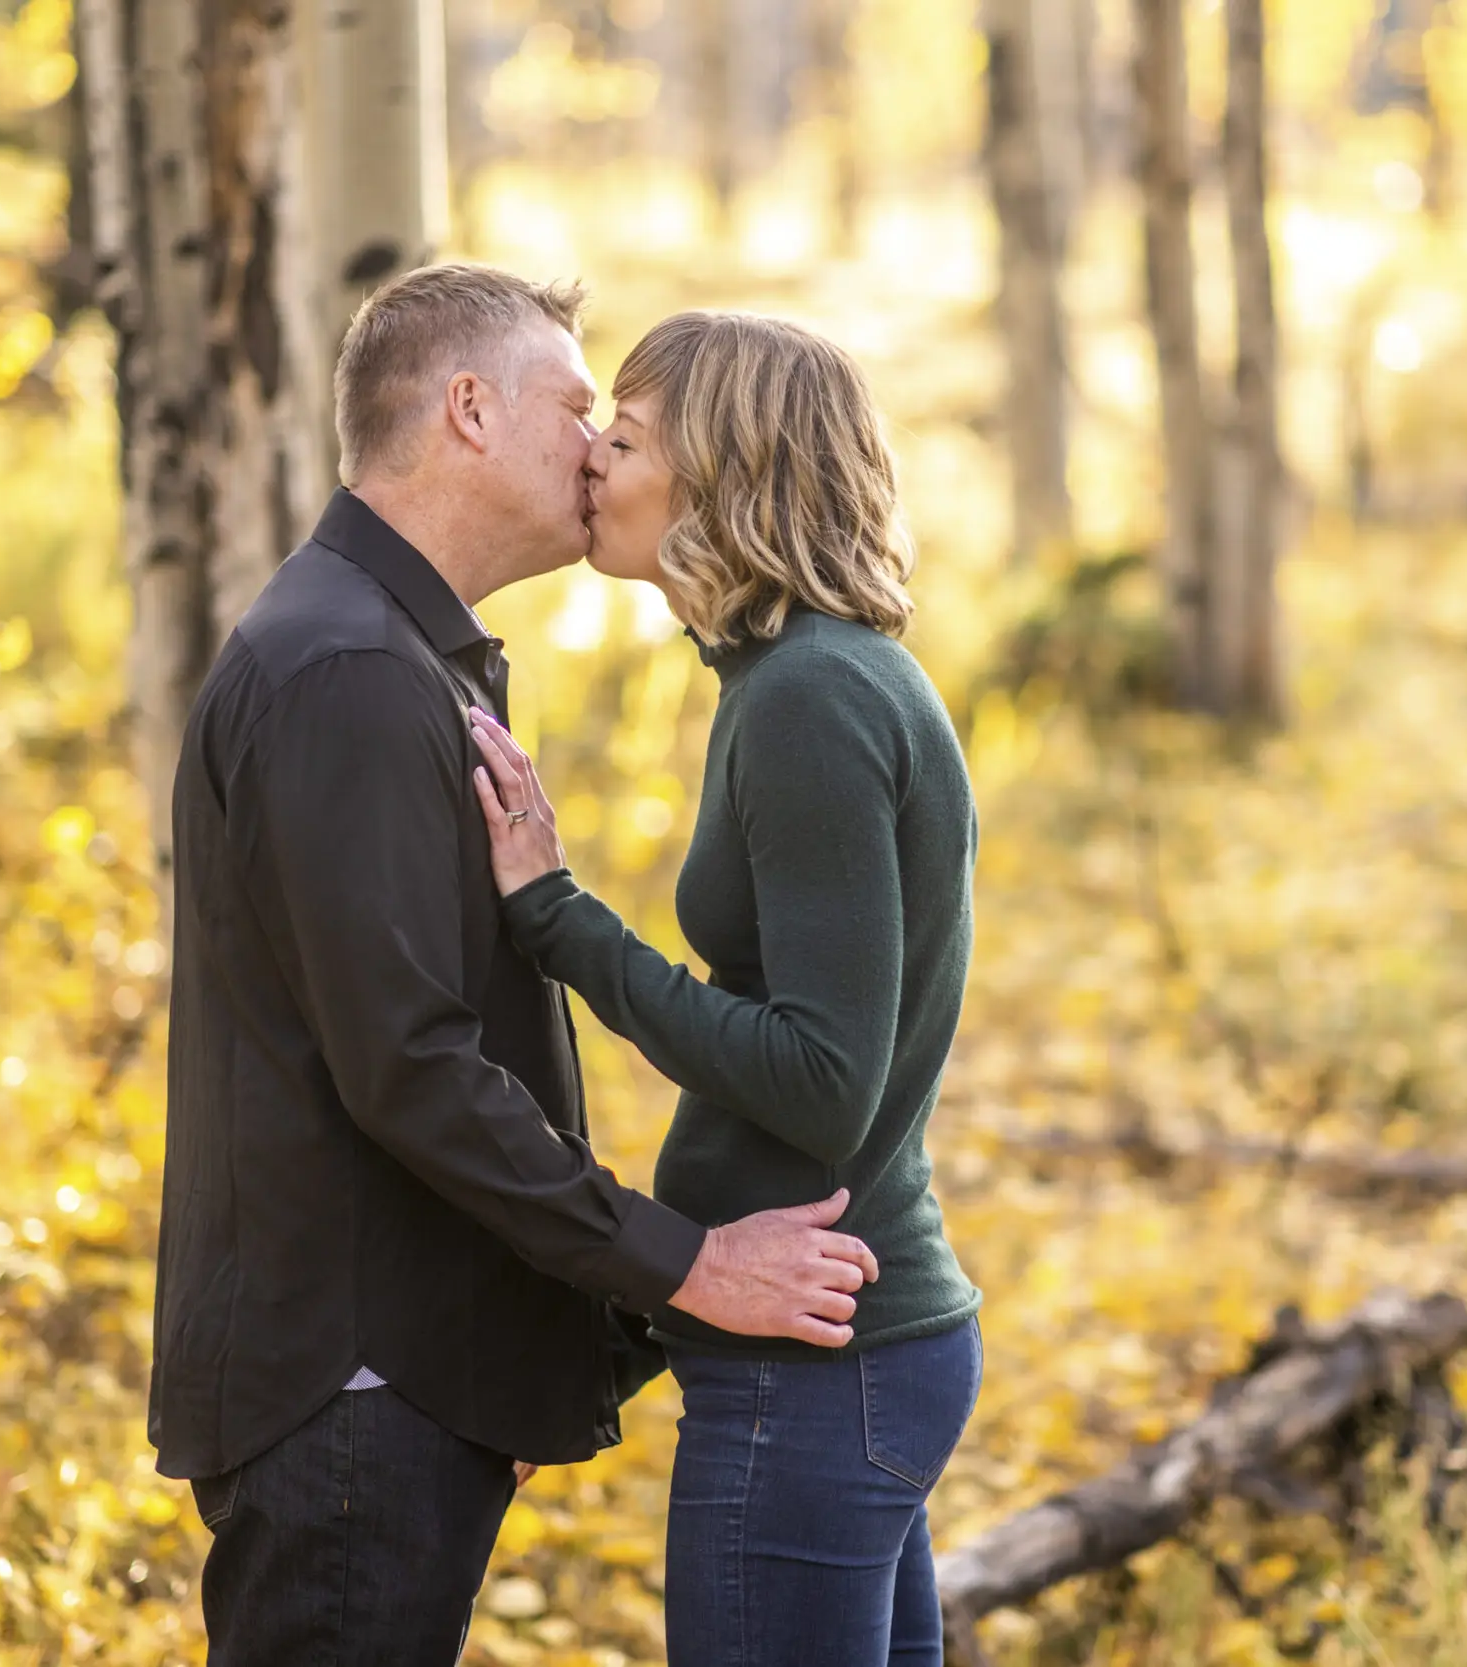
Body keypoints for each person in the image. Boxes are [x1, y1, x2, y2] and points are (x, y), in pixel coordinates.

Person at [149, 265, 882, 1666]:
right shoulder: (347, 672)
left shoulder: (401, 653)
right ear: (470, 411)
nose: (596, 444)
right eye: (573, 405)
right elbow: (410, 1068)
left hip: (397, 1370)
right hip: (350, 1383)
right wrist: (678, 1267)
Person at [467, 310, 984, 1667]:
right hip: (842, 1347)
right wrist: (620, 1337)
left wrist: (558, 920)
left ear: (723, 475)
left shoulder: (811, 696)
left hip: (821, 1365)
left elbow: (821, 1086)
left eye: (623, 439)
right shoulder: (797, 676)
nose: (589, 462)